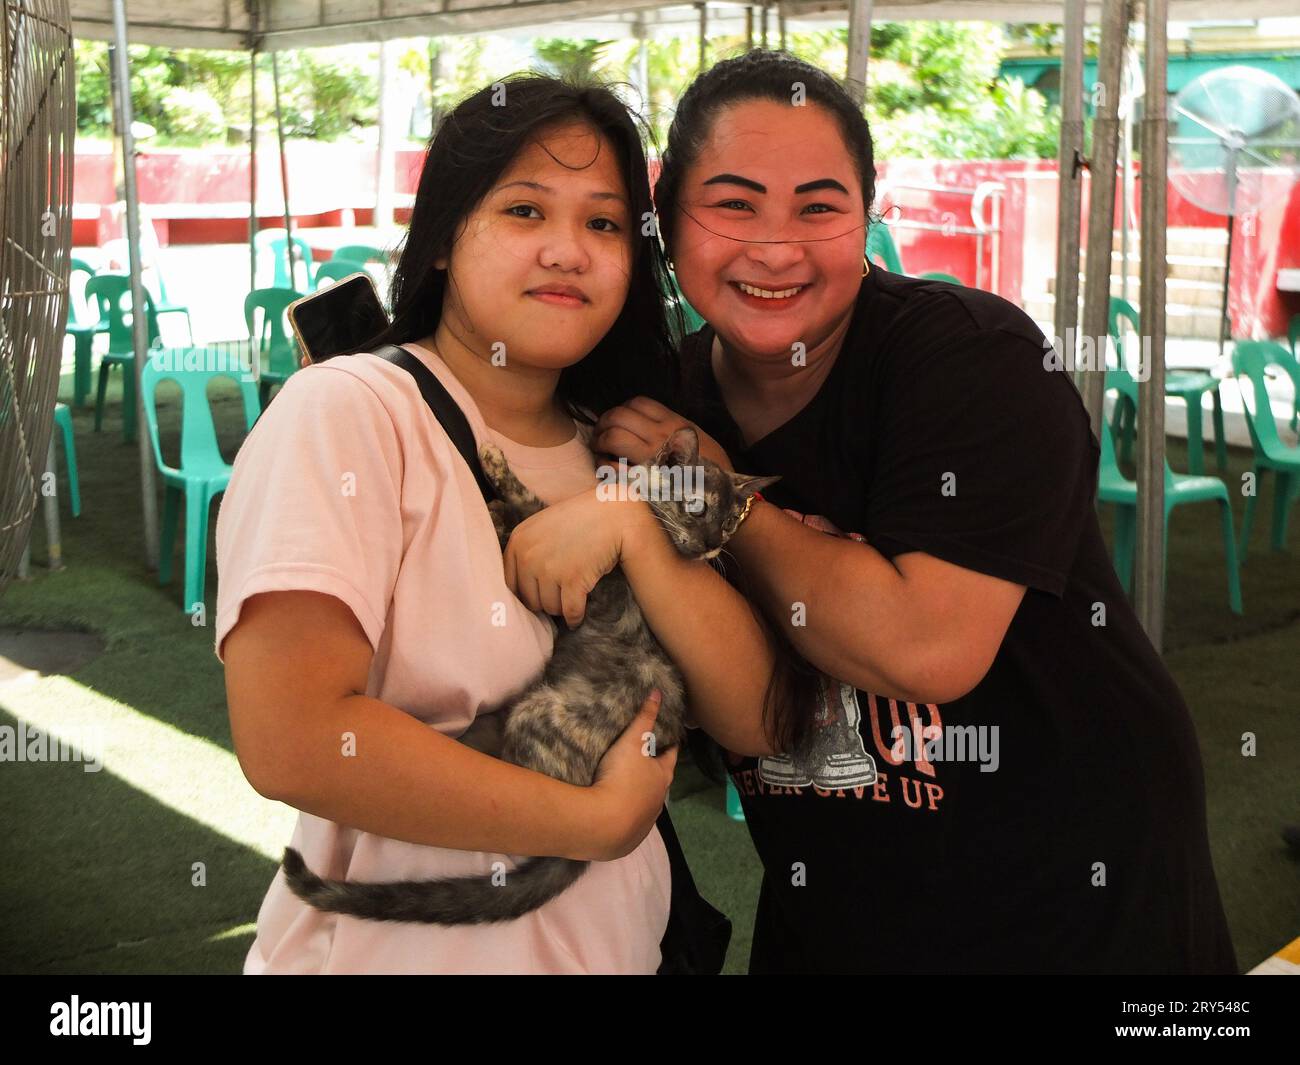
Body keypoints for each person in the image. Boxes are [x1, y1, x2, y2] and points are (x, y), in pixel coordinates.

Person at [569, 50, 1237, 974]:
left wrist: (720, 502)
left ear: (866, 218)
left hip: (1072, 894)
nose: (775, 248)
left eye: (819, 205)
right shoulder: (661, 401)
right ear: (666, 209)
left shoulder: (974, 360)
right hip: (836, 892)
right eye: (732, 203)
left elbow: (927, 646)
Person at [215, 75, 774, 974]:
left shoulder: (617, 449)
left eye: (602, 223)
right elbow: (296, 737)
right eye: (524, 210)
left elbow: (751, 714)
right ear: (442, 240)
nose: (568, 251)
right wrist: (595, 820)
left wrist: (634, 524)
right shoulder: (351, 411)